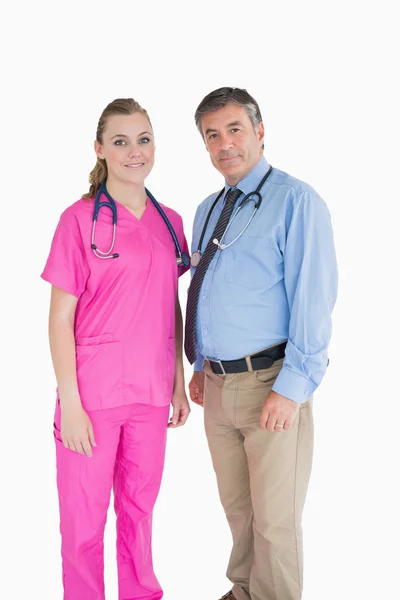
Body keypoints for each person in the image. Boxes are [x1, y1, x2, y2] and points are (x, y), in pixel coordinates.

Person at [185, 87, 338, 600]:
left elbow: (313, 301)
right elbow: (211, 288)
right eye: (212, 135)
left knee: (276, 520)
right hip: (218, 385)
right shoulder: (208, 209)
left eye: (234, 129)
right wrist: (202, 365)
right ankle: (245, 591)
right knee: (239, 510)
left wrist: (292, 388)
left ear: (260, 131)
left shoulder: (296, 201)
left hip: (270, 382)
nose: (224, 143)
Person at [41, 98, 190, 600]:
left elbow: (167, 304)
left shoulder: (170, 222)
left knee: (140, 515)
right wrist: (73, 405)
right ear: (100, 149)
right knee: (83, 524)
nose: (134, 152)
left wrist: (177, 384)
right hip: (93, 397)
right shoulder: (78, 220)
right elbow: (59, 317)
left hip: (149, 398)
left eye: (143, 139)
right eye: (121, 141)